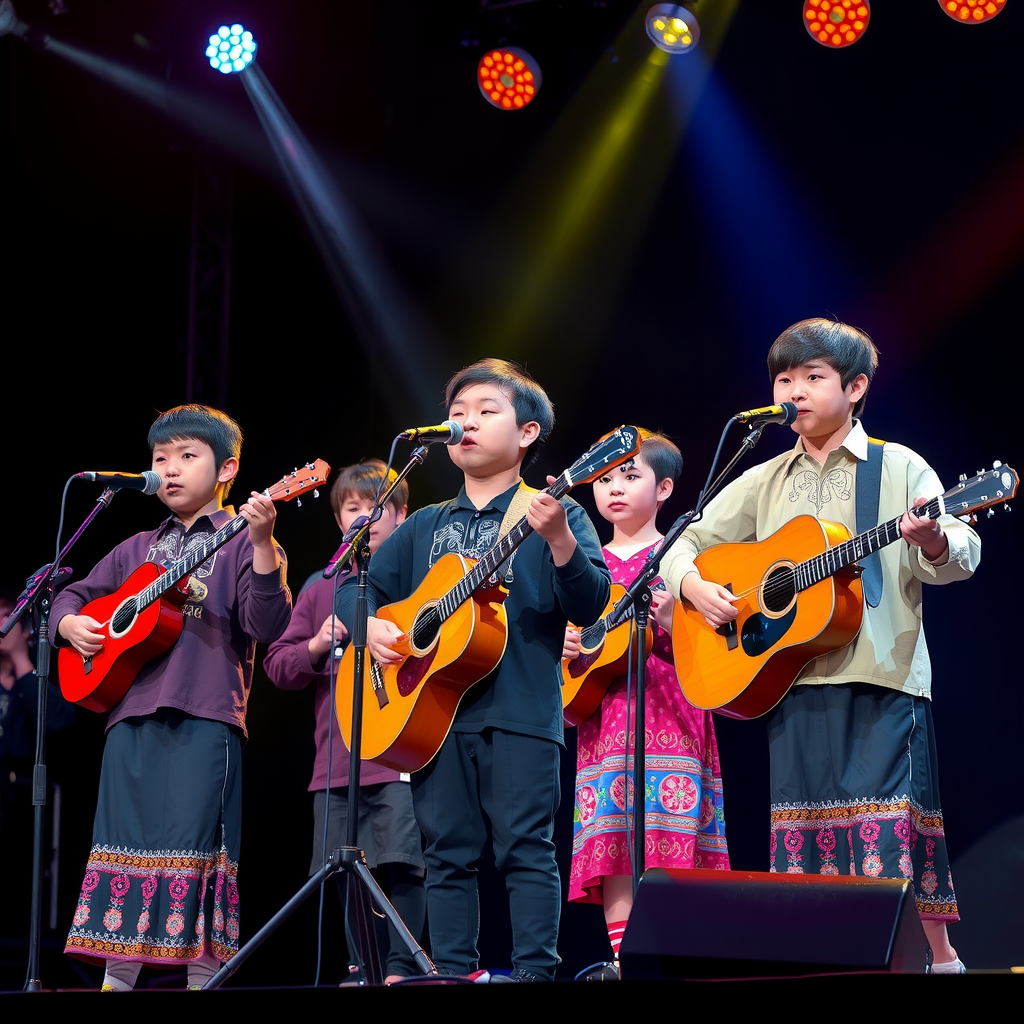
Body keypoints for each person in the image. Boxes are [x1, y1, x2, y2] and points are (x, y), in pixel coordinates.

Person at [659, 317, 980, 974]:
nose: (794, 390)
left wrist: (933, 540)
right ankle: (828, 965)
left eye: (812, 376)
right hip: (795, 682)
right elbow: (683, 542)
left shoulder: (898, 466)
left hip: (881, 677)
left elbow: (963, 554)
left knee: (889, 836)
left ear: (855, 386)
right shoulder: (765, 478)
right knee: (805, 849)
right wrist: (693, 587)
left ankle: (938, 963)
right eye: (784, 378)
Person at [335, 358, 612, 983]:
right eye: (456, 414)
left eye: (486, 411)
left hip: (520, 709)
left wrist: (563, 544)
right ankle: (451, 973)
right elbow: (356, 587)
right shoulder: (427, 523)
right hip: (431, 717)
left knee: (526, 851)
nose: (465, 424)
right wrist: (370, 624)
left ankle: (537, 975)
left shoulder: (553, 514)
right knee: (447, 854)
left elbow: (593, 604)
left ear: (528, 434)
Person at [49, 403, 292, 991]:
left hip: (207, 716)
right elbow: (72, 590)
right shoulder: (136, 548)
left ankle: (200, 982)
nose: (172, 469)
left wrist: (263, 545)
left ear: (227, 469)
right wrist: (69, 625)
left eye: (188, 456)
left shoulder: (242, 542)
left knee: (198, 853)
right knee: (123, 846)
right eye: (161, 459)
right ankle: (117, 981)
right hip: (129, 717)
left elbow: (266, 624)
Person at [564, 431, 730, 981]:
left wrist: (669, 624)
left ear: (663, 488)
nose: (613, 488)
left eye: (630, 476)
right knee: (614, 847)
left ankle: (673, 962)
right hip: (604, 720)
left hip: (673, 711)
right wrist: (565, 646)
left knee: (671, 842)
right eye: (605, 478)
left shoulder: (682, 557)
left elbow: (719, 641)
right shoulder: (583, 563)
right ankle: (623, 963)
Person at [263, 458, 427, 986]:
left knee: (401, 863)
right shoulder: (321, 586)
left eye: (376, 507)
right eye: (352, 507)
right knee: (342, 870)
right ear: (338, 520)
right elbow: (278, 666)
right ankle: (363, 967)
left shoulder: (418, 577)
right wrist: (317, 642)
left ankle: (402, 968)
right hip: (335, 763)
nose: (364, 516)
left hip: (400, 754)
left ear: (402, 515)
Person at [1, 586, 77, 956]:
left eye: (5, 615)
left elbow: (61, 722)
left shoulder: (40, 670)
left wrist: (21, 661)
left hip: (30, 809)